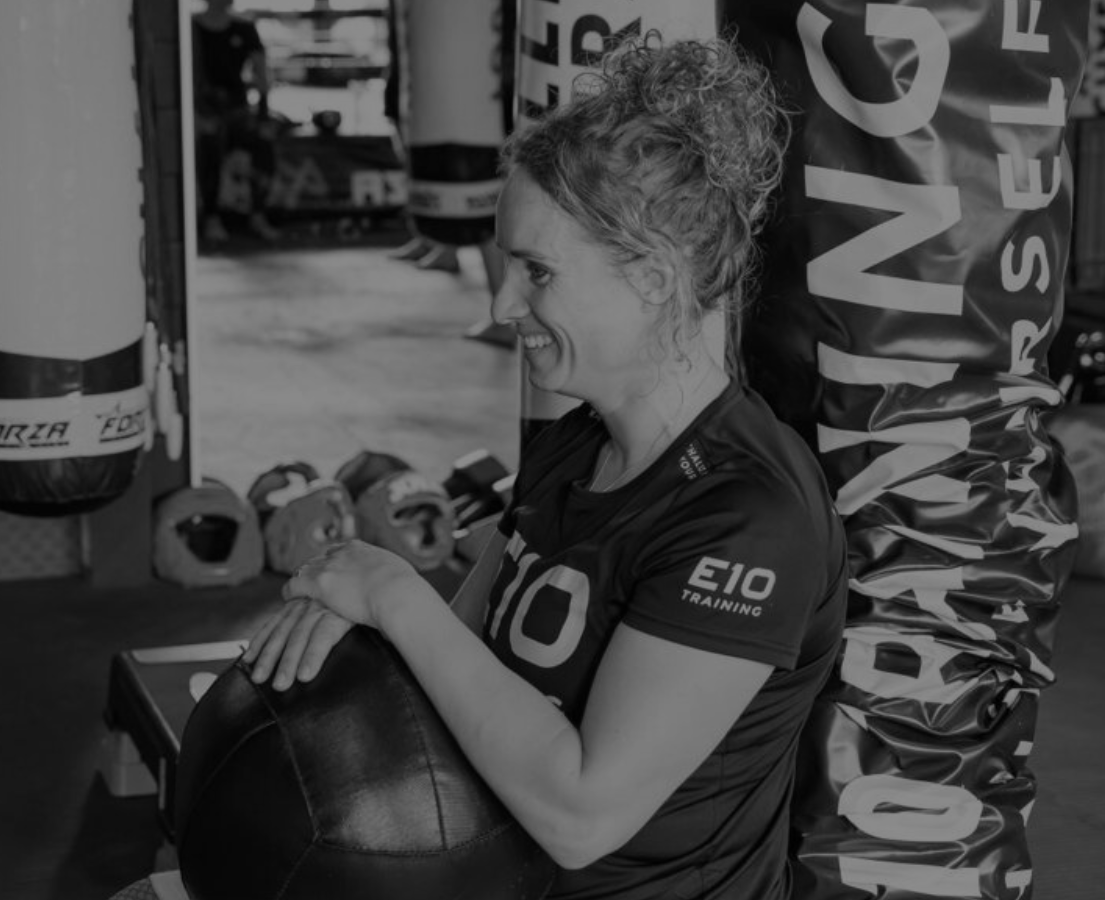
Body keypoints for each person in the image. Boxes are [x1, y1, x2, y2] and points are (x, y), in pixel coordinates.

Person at [244, 35, 848, 900]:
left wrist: (394, 596)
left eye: (537, 271)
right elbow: (451, 660)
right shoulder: (573, 443)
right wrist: (354, 630)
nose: (502, 304)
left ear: (654, 277)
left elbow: (581, 815)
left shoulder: (750, 517)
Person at [192, 0, 279, 246]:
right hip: (203, 109)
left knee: (263, 145)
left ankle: (258, 215)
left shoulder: (244, 28)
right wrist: (198, 114)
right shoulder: (192, 28)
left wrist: (263, 115)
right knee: (209, 144)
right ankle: (211, 217)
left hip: (238, 110)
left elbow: (261, 73)